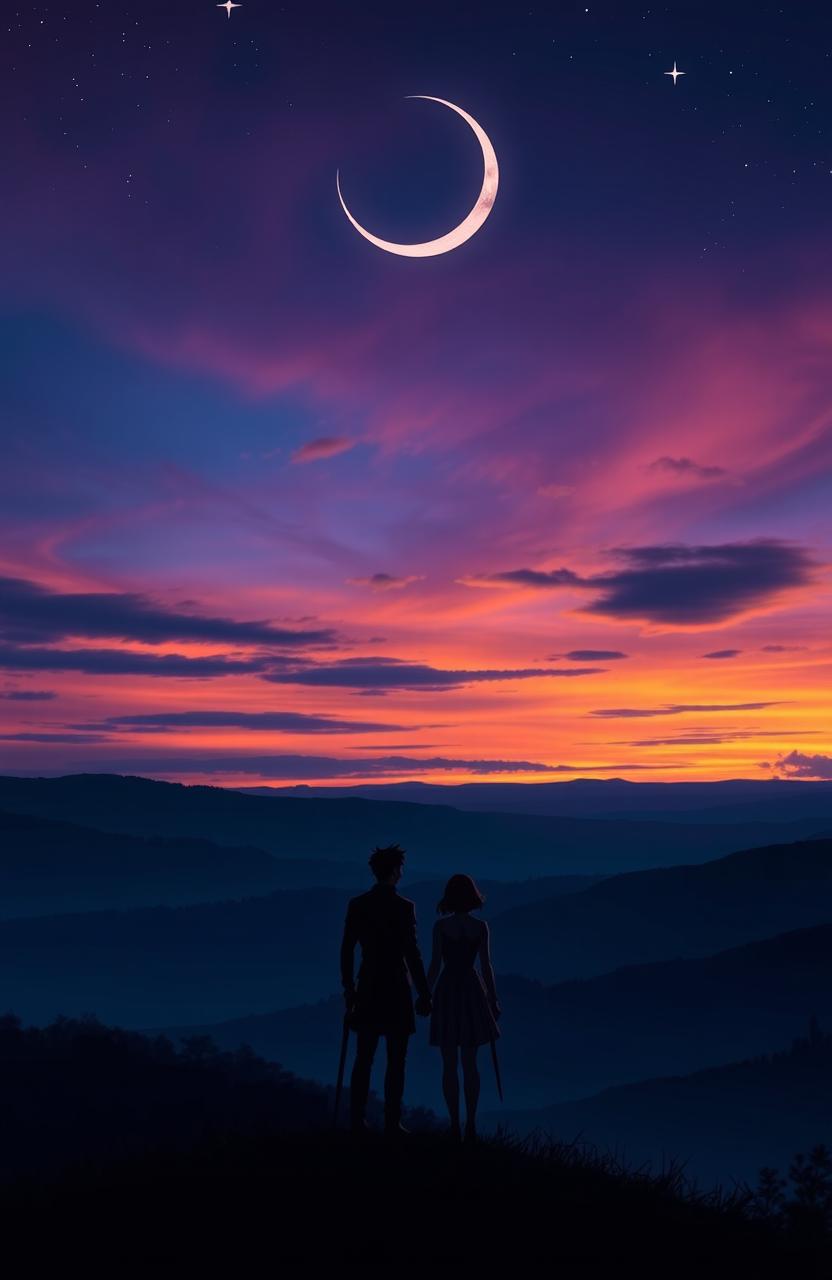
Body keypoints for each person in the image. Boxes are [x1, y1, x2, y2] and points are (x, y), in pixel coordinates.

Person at [339, 842, 432, 1138]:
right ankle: (392, 1122)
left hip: (367, 984)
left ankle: (357, 1120)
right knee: (396, 1059)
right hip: (396, 987)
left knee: (363, 1056)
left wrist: (348, 988)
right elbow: (412, 954)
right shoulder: (404, 908)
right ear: (395, 871)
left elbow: (347, 949)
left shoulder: (358, 905)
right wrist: (424, 992)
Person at [426, 873, 501, 1143]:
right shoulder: (480, 927)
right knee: (471, 1063)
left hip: (447, 990)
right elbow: (486, 965)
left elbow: (435, 964)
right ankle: (470, 1123)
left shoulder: (440, 927)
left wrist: (425, 994)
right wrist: (493, 999)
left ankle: (455, 1124)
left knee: (449, 1063)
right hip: (472, 991)